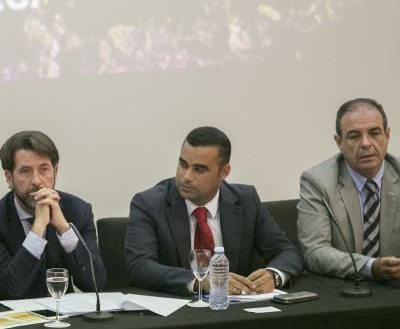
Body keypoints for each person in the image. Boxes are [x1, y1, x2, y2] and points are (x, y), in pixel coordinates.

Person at [126, 126, 302, 296]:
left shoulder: (246, 200)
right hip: (178, 314)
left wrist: (273, 275)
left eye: (199, 169)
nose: (186, 176)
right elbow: (140, 267)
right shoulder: (149, 204)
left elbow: (286, 251)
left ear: (224, 172)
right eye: (183, 164)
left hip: (235, 312)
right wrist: (202, 281)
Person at [0, 130, 106, 300]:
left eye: (44, 169)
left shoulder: (78, 211)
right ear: (9, 178)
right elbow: (10, 288)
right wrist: (38, 227)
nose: (37, 180)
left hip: (65, 319)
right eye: (25, 171)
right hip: (14, 320)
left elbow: (96, 283)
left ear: (55, 171)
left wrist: (64, 229)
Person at [298, 97, 400, 280]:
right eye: (354, 136)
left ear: (387, 135)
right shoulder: (318, 181)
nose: (366, 143)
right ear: (339, 142)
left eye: (374, 133)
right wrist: (370, 266)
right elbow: (315, 252)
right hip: (343, 289)